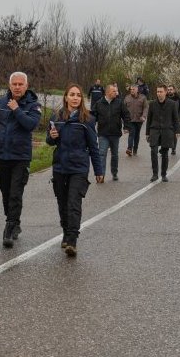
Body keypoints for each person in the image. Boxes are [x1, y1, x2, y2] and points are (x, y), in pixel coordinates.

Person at [0, 71, 43, 248]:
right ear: (9, 85)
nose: (17, 87)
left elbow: (30, 125)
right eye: (14, 84)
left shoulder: (34, 105)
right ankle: (14, 222)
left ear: (26, 86)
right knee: (6, 193)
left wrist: (16, 109)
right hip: (2, 155)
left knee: (16, 193)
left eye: (20, 84)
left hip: (21, 157)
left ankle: (8, 229)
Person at [47, 84, 105, 256]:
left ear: (81, 99)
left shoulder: (87, 119)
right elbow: (49, 141)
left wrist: (98, 170)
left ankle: (72, 240)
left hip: (79, 167)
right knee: (62, 203)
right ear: (66, 97)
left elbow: (93, 147)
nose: (75, 98)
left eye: (78, 95)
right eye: (72, 94)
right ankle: (66, 232)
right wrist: (51, 137)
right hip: (60, 166)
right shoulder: (56, 117)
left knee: (74, 203)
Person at [91, 83, 130, 181]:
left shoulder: (119, 103)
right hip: (103, 133)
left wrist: (126, 126)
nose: (116, 93)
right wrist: (90, 127)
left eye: (116, 91)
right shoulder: (99, 103)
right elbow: (92, 117)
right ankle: (101, 175)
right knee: (102, 153)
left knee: (114, 154)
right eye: (114, 91)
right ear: (108, 92)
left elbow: (126, 115)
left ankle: (114, 172)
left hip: (115, 133)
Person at [146, 85, 180, 182]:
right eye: (157, 91)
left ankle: (164, 174)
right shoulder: (152, 104)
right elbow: (149, 119)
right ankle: (155, 174)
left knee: (165, 153)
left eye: (161, 92)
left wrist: (178, 131)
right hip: (154, 130)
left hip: (167, 131)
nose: (159, 93)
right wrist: (147, 133)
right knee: (153, 151)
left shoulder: (172, 104)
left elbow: (176, 119)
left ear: (165, 92)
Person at [123, 84, 148, 157]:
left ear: (137, 90)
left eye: (133, 89)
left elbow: (146, 107)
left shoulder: (143, 97)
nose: (132, 91)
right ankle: (129, 149)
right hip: (130, 120)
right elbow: (123, 109)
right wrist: (124, 120)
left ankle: (135, 149)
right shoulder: (127, 98)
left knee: (137, 135)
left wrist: (144, 116)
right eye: (131, 89)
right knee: (132, 133)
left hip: (139, 119)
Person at [166, 84, 180, 155]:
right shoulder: (165, 97)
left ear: (174, 90)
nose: (169, 91)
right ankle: (164, 149)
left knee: (174, 135)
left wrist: (179, 118)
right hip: (166, 119)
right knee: (165, 134)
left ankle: (173, 148)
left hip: (175, 119)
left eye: (171, 89)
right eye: (168, 90)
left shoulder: (179, 98)